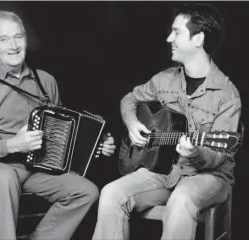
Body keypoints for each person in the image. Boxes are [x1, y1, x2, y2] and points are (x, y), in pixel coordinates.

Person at [0, 10, 116, 240]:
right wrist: (12, 145)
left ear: (26, 39)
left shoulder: (45, 80)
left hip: (36, 169)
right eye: (4, 39)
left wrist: (97, 145)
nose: (13, 45)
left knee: (86, 191)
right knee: (5, 177)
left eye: (18, 37)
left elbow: (63, 138)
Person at [93, 3, 241, 240]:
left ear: (198, 39)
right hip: (164, 170)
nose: (169, 37)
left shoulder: (227, 94)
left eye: (177, 32)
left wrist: (195, 154)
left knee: (181, 198)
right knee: (111, 192)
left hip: (209, 177)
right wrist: (132, 124)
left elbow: (220, 157)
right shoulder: (165, 79)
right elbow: (129, 99)